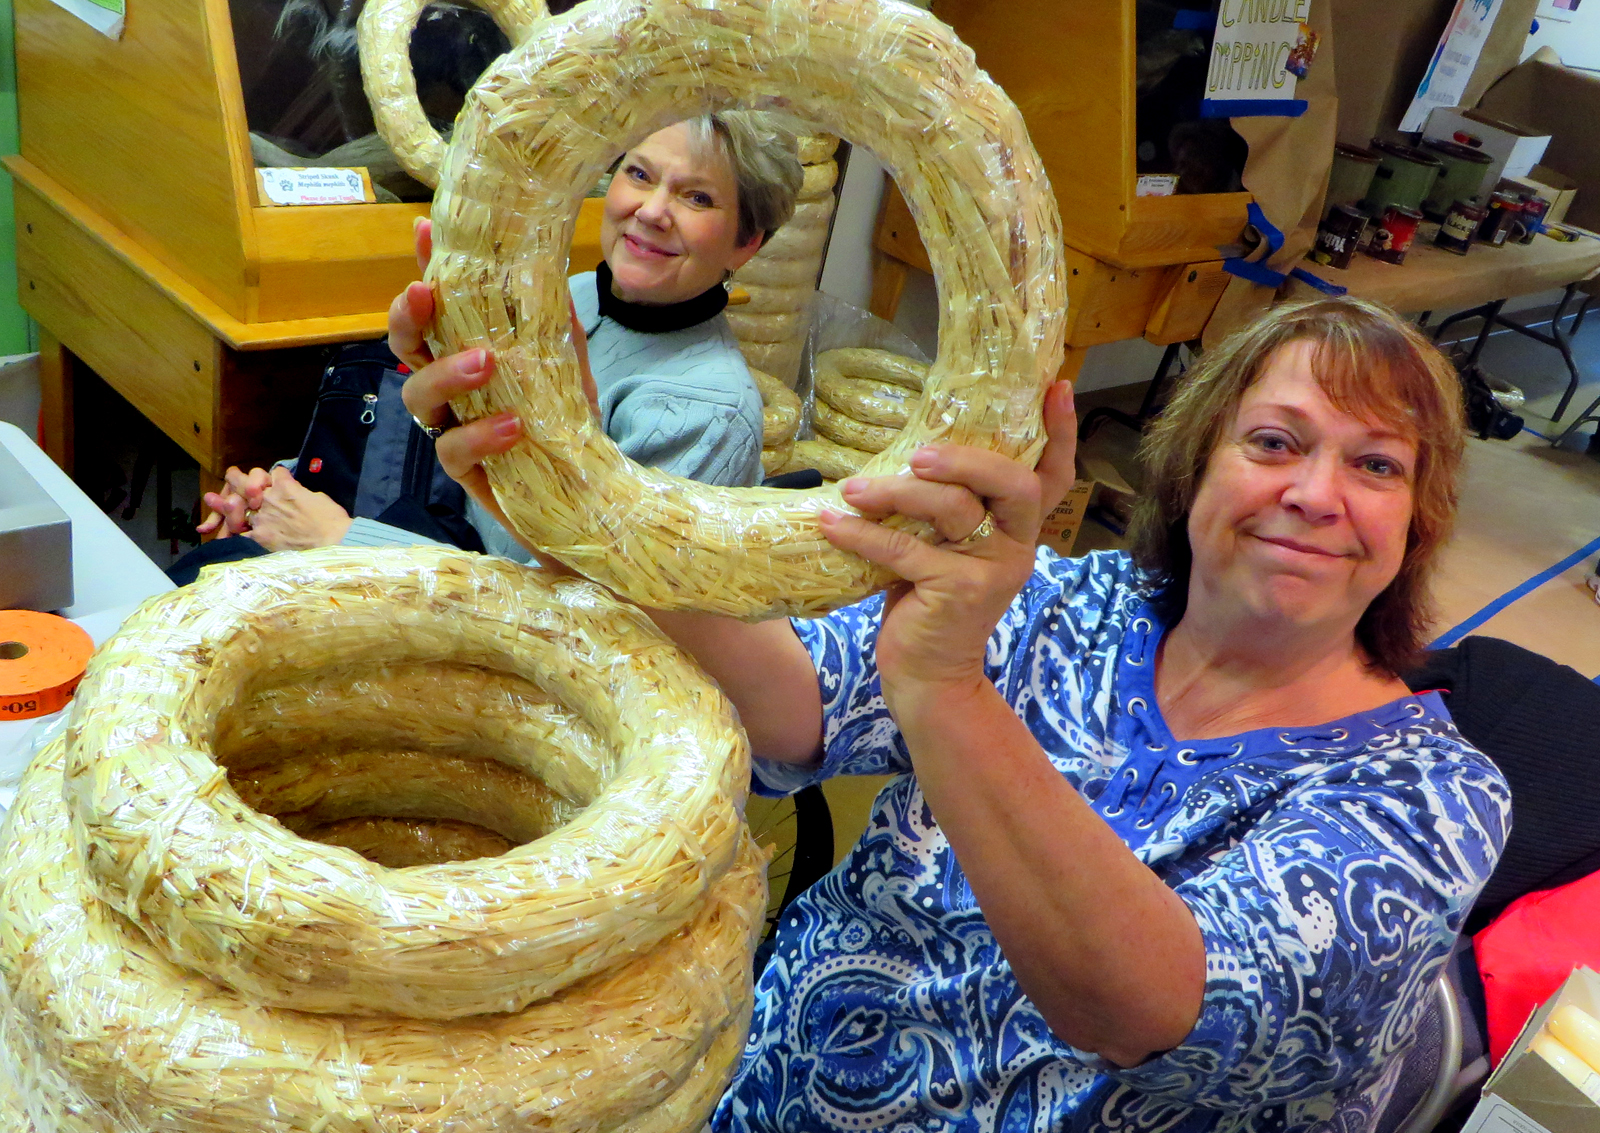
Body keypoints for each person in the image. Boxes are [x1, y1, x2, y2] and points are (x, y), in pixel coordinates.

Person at [397, 285, 1509, 1126]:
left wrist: (945, 686)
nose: (1314, 494)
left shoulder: (1429, 797)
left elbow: (1146, 1012)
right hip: (764, 1087)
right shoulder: (1075, 604)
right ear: (1195, 467)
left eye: (1376, 466)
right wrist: (574, 497)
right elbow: (796, 704)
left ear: (1418, 521)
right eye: (1273, 442)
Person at [195, 111, 802, 563]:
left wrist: (337, 537)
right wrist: (285, 490)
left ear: (747, 243)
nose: (650, 210)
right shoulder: (565, 295)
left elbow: (582, 616)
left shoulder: (706, 413)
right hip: (397, 549)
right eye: (639, 174)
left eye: (697, 197)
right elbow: (429, 442)